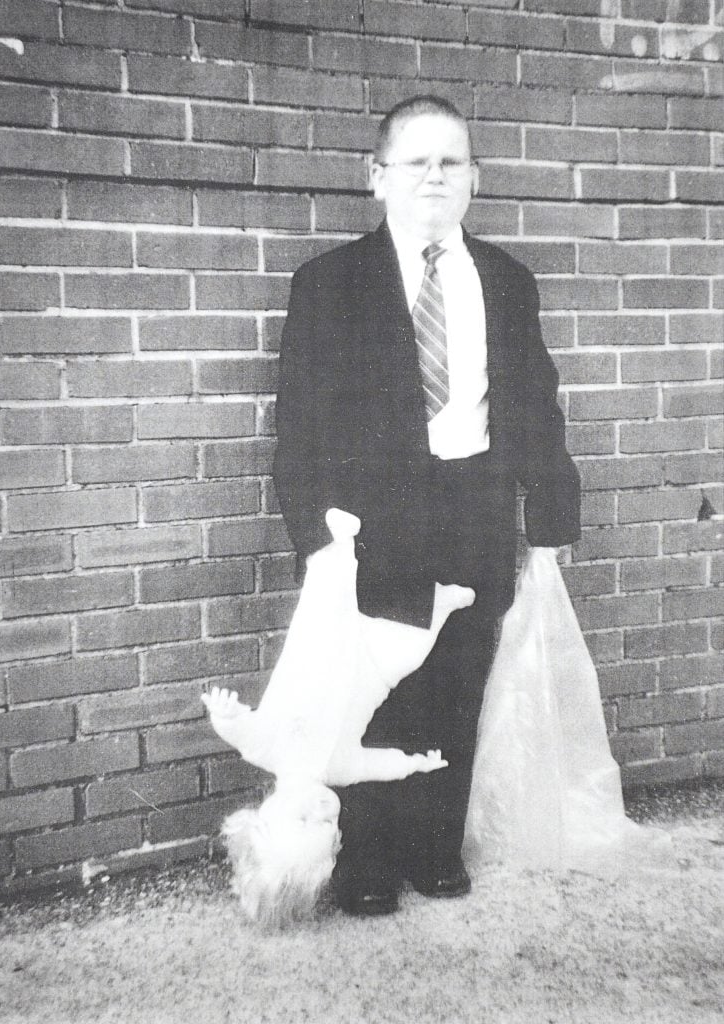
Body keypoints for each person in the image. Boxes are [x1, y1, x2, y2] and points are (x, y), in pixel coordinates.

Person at [272, 95, 581, 917]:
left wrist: (548, 519)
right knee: (375, 688)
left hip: (474, 506)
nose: (435, 177)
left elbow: (536, 403)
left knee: (456, 677)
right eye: (416, 162)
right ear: (377, 179)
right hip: (373, 521)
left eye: (452, 162)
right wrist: (314, 536)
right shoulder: (331, 284)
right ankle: (367, 857)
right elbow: (297, 421)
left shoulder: (508, 283)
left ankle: (434, 843)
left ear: (475, 178)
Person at [202, 507, 475, 927]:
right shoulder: (339, 770)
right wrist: (415, 763)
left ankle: (336, 543)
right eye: (328, 826)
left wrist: (226, 714)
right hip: (371, 667)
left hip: (323, 644)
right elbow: (375, 766)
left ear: (268, 812)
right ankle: (439, 604)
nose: (322, 809)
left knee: (327, 594)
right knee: (413, 650)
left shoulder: (268, 751)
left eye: (303, 818)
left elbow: (242, 730)